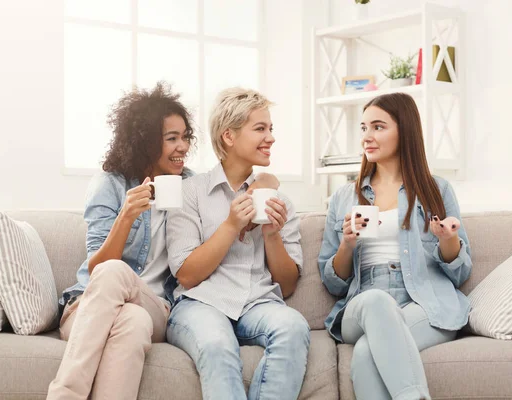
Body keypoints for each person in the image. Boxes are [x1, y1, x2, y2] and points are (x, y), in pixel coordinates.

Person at [47, 81, 276, 399]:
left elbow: (245, 180)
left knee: (136, 308)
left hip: (157, 305)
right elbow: (98, 270)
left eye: (185, 137)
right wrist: (126, 217)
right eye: (172, 139)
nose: (183, 146)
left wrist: (267, 180)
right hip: (91, 308)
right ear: (145, 142)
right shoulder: (110, 185)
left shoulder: (191, 186)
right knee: (130, 318)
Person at [318, 92, 472, 400]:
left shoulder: (436, 190)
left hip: (423, 302)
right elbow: (332, 282)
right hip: (363, 303)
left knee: (365, 354)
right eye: (363, 128)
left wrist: (448, 240)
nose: (367, 137)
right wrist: (347, 245)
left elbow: (460, 273)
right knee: (376, 301)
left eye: (378, 127)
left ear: (405, 130)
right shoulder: (343, 197)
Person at [165, 87, 310, 400]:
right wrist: (231, 225)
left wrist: (272, 233)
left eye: (271, 129)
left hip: (259, 303)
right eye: (260, 129)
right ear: (229, 136)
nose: (270, 137)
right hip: (200, 303)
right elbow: (187, 275)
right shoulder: (191, 192)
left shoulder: (278, 201)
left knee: (294, 327)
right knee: (217, 344)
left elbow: (286, 286)